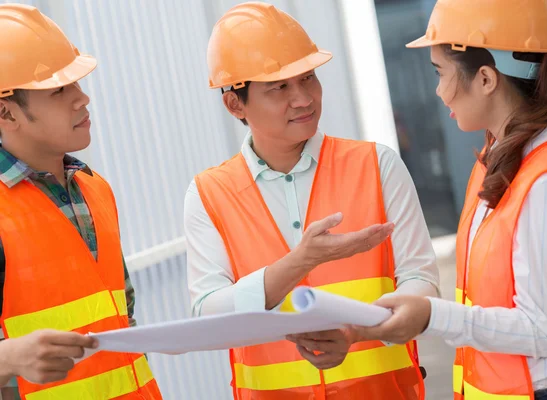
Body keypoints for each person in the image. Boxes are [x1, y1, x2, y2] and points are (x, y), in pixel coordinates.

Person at [184, 2, 440, 399]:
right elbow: (208, 313)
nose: (303, 98)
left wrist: (360, 333)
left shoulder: (377, 165)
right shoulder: (208, 194)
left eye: (308, 78)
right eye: (279, 88)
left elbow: (422, 285)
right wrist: (299, 261)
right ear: (235, 103)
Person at [353, 0, 547, 399]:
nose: (437, 90)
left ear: (485, 79)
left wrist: (431, 316)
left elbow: (539, 330)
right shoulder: (497, 161)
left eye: (441, 73)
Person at [0, 4, 162, 399]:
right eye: (59, 91)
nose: (82, 98)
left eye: (77, 83)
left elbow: (123, 315)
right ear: (6, 112)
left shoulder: (96, 189)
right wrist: (8, 359)